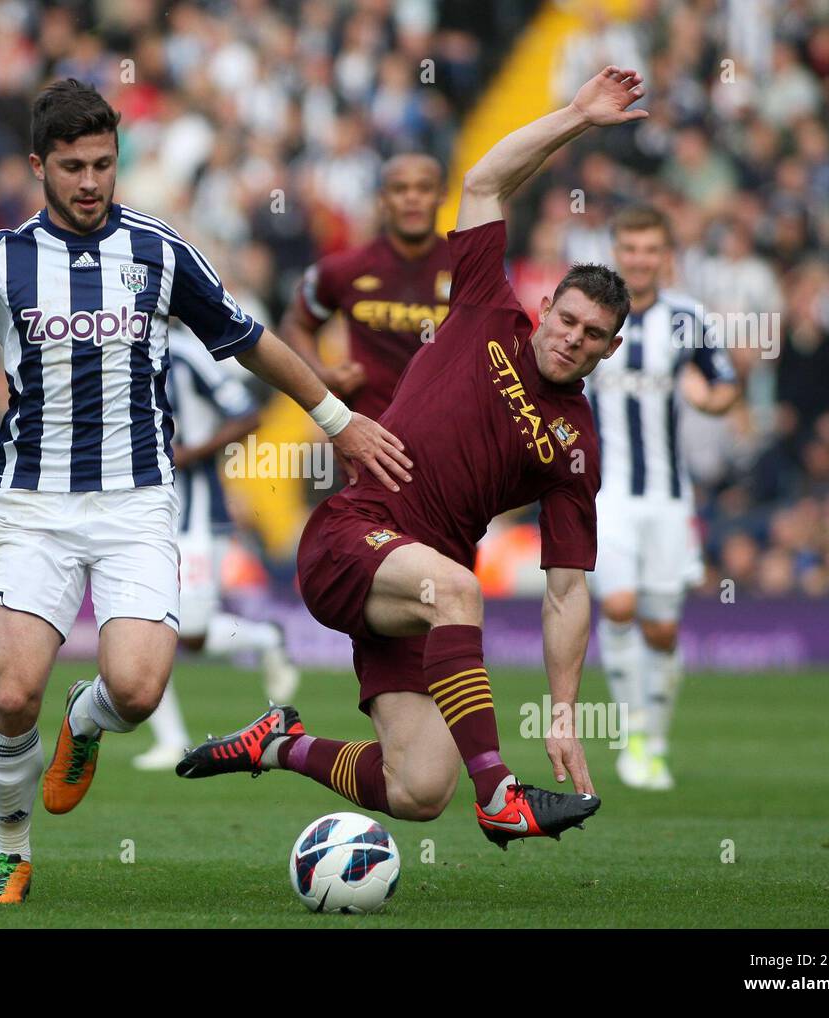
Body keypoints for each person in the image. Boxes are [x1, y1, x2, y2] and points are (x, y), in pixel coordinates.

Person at [0, 79, 410, 904]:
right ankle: (11, 850)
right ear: (37, 167)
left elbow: (251, 341)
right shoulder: (6, 259)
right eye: (72, 167)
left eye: (103, 164)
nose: (91, 182)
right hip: (33, 506)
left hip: (136, 502)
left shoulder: (159, 251)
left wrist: (336, 419)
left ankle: (85, 723)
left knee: (137, 688)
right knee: (14, 693)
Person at [177, 66, 647, 851]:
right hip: (351, 536)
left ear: (611, 346)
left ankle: (278, 743)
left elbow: (567, 592)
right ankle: (500, 798)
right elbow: (487, 179)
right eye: (566, 319)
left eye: (593, 335)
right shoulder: (484, 305)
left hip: (418, 593)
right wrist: (575, 116)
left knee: (418, 788)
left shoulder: (576, 446)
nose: (572, 338)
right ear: (546, 308)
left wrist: (564, 712)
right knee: (458, 586)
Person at [588, 205, 740, 789]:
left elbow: (725, 384)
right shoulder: (594, 316)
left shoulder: (686, 318)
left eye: (651, 249)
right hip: (609, 496)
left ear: (664, 255)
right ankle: (632, 735)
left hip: (670, 497)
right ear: (616, 251)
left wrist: (711, 399)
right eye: (630, 248)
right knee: (620, 606)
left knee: (661, 630)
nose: (640, 259)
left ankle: (654, 739)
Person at [132, 322, 299, 772]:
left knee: (190, 631)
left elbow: (248, 414)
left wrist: (189, 452)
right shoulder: (121, 347)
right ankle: (170, 739)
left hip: (198, 515)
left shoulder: (187, 354)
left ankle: (267, 638)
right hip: (142, 510)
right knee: (146, 623)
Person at [279, 153, 451, 422]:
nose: (412, 198)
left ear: (442, 194)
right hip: (370, 438)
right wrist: (322, 374)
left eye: (424, 188)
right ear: (382, 199)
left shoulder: (467, 268)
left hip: (448, 435)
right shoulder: (345, 269)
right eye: (400, 189)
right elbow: (296, 324)